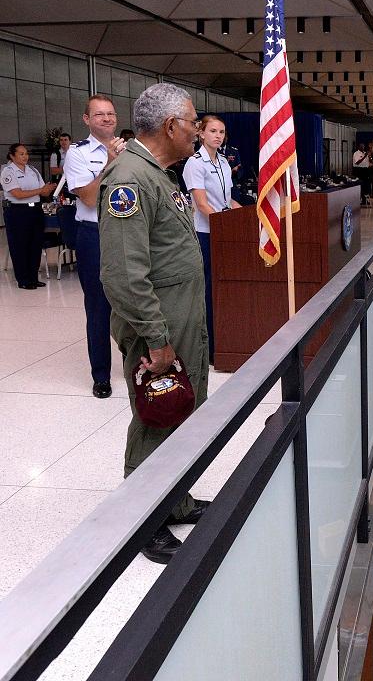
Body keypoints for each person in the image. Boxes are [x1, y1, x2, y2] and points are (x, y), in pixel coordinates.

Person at [97, 82, 211, 564]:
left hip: (182, 318)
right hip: (157, 327)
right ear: (170, 126)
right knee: (155, 416)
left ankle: (176, 500)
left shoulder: (160, 174)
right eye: (193, 124)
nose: (198, 133)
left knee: (183, 411)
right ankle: (144, 519)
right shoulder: (129, 179)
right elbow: (123, 272)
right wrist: (158, 339)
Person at [65, 94, 127, 399]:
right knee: (99, 307)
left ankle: (136, 366)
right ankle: (101, 375)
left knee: (132, 302)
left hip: (127, 234)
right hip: (95, 233)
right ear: (87, 119)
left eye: (111, 114)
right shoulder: (78, 153)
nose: (106, 118)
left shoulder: (131, 149)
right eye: (99, 114)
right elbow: (89, 198)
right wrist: (111, 163)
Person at [182, 115, 238, 364]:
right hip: (206, 234)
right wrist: (225, 224)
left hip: (223, 232)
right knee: (207, 292)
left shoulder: (224, 162)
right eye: (213, 131)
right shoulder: (195, 164)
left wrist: (248, 212)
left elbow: (227, 201)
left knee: (223, 290)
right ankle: (208, 347)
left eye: (222, 132)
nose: (218, 135)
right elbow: (202, 204)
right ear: (201, 133)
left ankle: (225, 340)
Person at [2, 144, 55, 290]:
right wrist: (40, 190)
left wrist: (49, 189)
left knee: (35, 244)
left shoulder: (33, 170)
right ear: (12, 156)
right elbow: (17, 194)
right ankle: (23, 279)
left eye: (26, 153)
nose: (25, 156)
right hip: (17, 212)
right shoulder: (8, 171)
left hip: (35, 210)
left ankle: (33, 277)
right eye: (21, 154)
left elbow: (43, 193)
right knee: (20, 245)